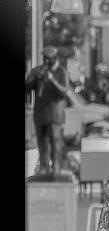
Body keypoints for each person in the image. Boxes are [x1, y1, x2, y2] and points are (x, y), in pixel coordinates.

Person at [25, 45, 70, 175]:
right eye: (45, 58)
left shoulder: (61, 72)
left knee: (55, 142)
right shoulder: (38, 71)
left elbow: (64, 92)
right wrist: (32, 78)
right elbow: (27, 89)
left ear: (55, 58)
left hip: (55, 114)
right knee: (42, 142)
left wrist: (51, 80)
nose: (46, 61)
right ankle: (44, 167)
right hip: (40, 113)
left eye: (49, 59)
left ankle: (56, 167)